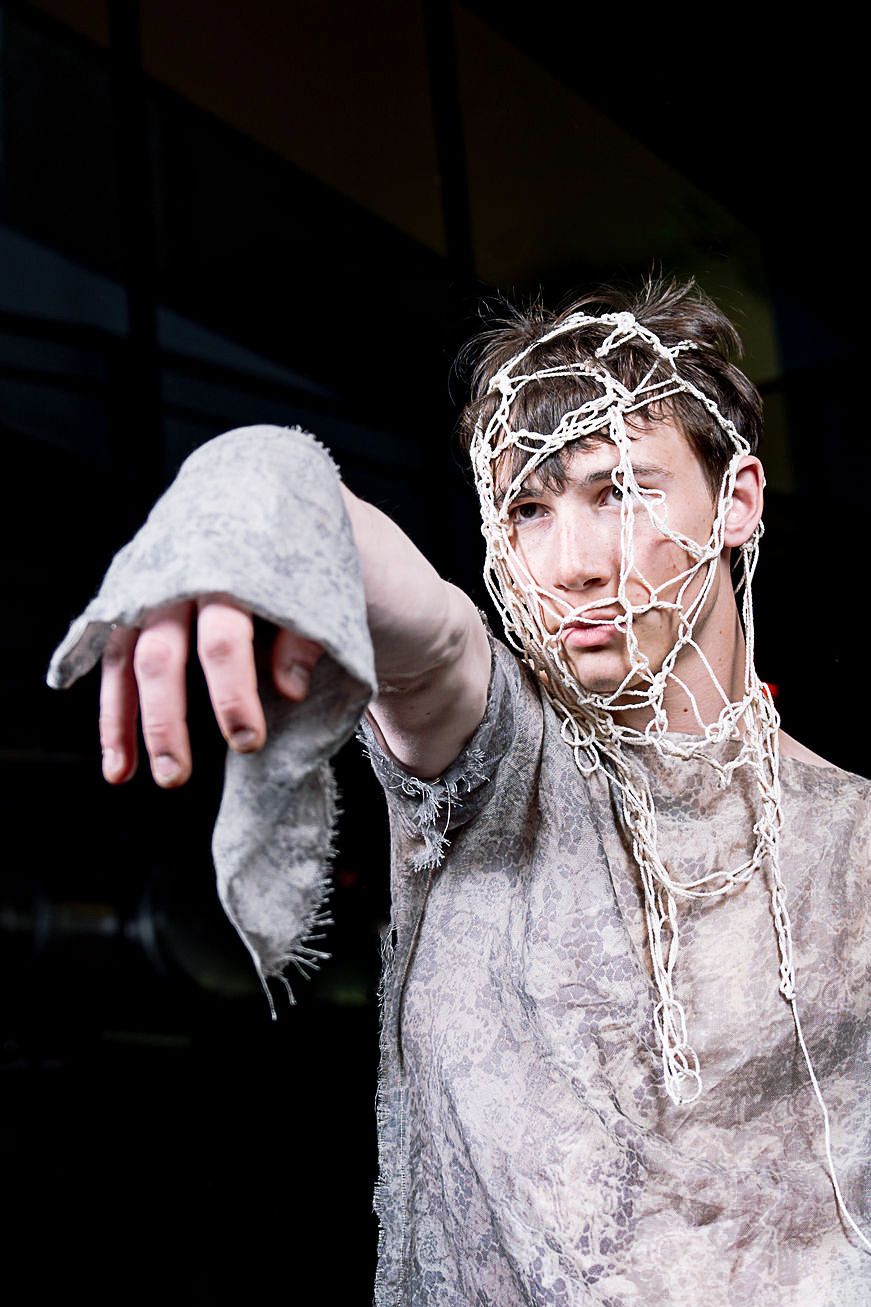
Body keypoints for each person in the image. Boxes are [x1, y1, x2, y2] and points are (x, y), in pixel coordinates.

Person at [50, 277, 869, 1305]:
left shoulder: (855, 839)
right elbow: (429, 636)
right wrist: (259, 488)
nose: (566, 562)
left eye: (617, 489)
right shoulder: (503, 760)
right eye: (527, 507)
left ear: (737, 500)